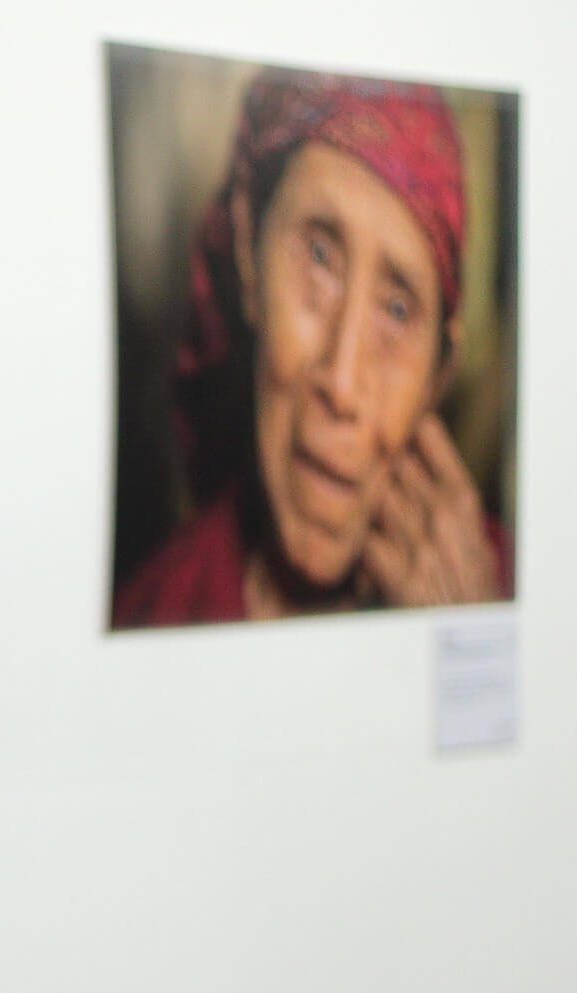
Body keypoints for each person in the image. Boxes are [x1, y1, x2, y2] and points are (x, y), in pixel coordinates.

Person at [112, 69, 511, 628]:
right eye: (320, 256)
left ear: (437, 377)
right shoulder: (153, 613)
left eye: (397, 310)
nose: (342, 383)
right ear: (250, 255)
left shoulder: (512, 597)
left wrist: (467, 638)